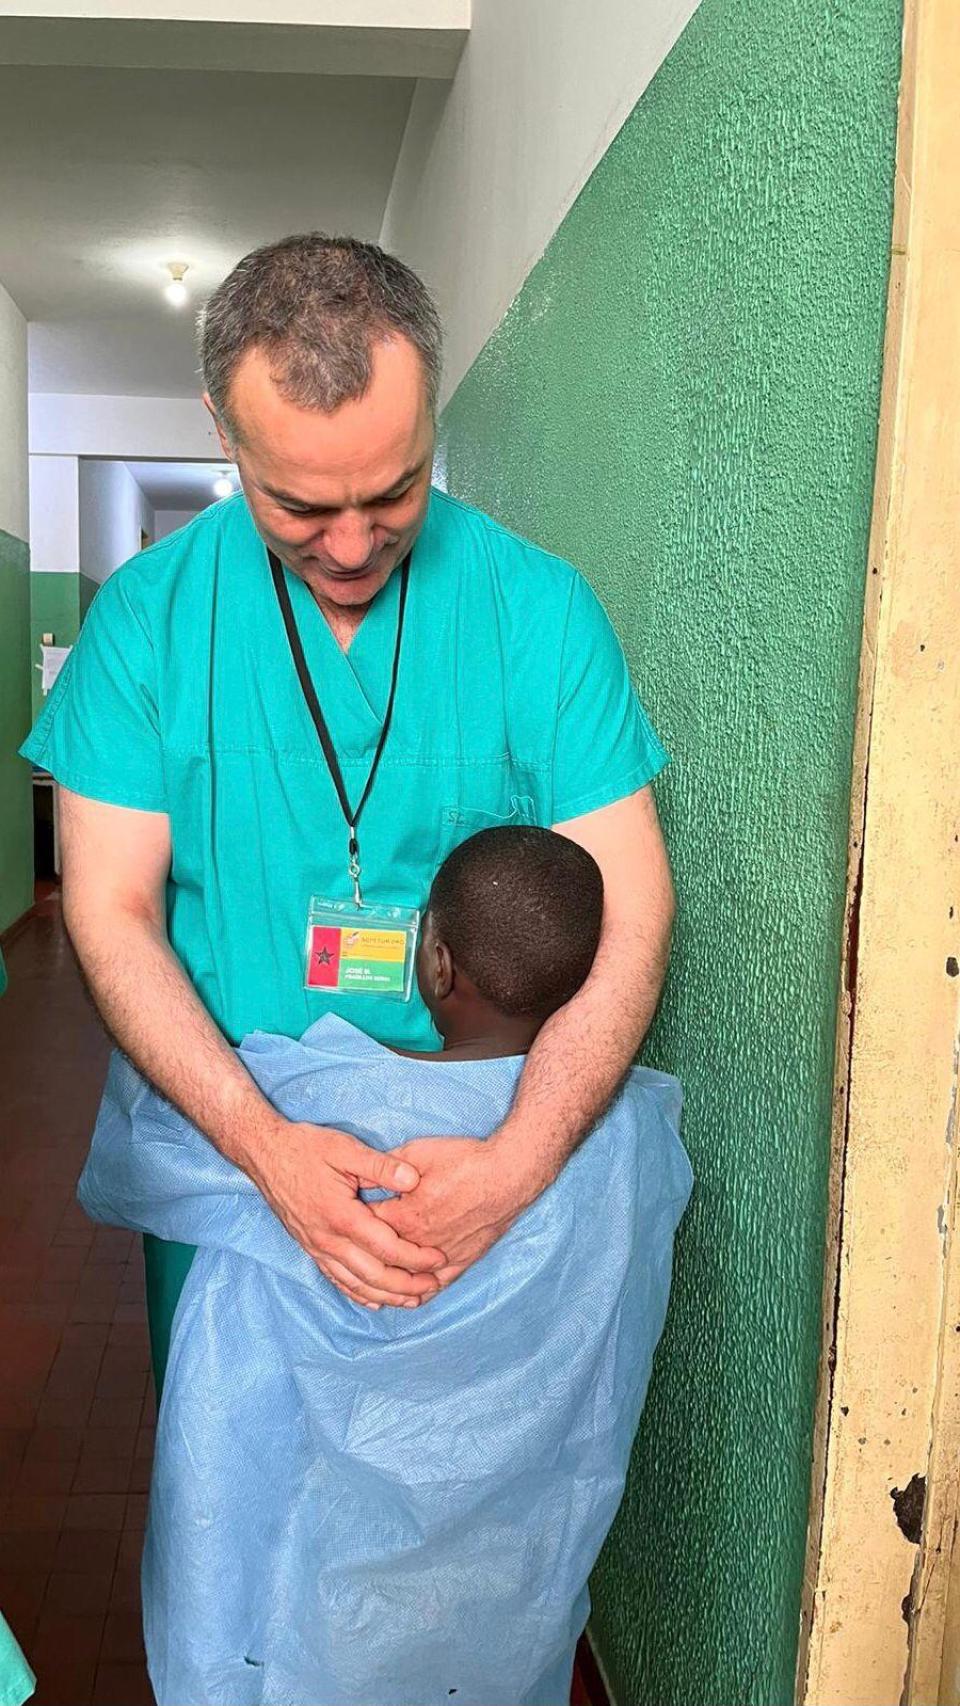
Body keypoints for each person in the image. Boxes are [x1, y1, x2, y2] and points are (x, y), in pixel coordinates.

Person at [20, 232, 675, 1386]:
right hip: (240, 1170)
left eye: (396, 490)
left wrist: (513, 1167)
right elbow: (110, 908)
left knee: (468, 1524)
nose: (356, 544)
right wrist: (268, 1151)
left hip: (479, 1176)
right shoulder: (147, 625)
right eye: (302, 505)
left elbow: (631, 910)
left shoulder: (539, 612)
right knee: (247, 1520)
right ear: (224, 435)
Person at [79, 827, 692, 1706]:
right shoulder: (624, 1135)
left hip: (302, 1578)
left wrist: (262, 1137)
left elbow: (144, 1147)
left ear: (436, 965)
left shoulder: (306, 1099)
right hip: (499, 1573)